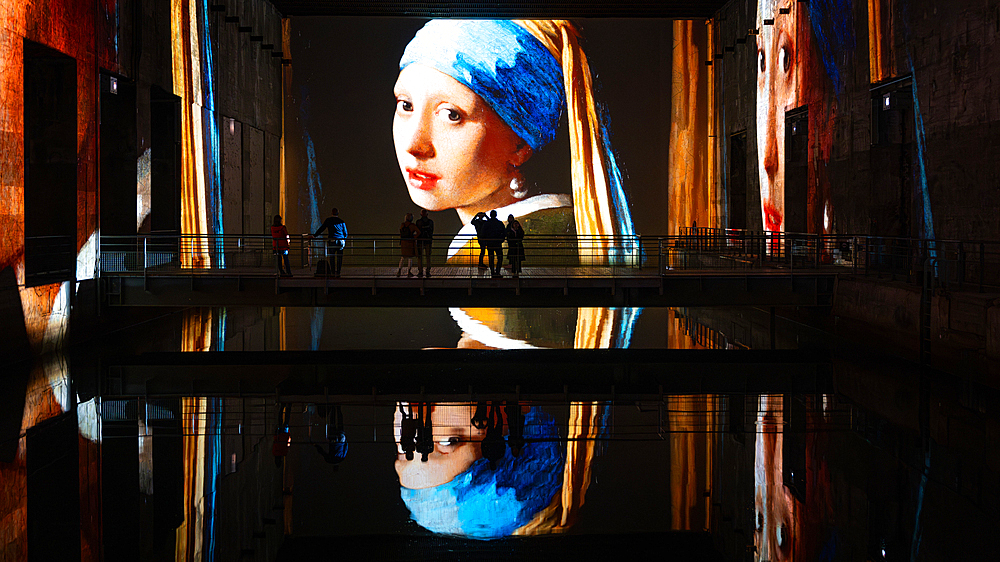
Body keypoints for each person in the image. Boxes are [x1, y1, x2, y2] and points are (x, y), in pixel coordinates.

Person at [392, 20, 637, 266]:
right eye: (406, 105)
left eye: (452, 115)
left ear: (520, 145)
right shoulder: (568, 223)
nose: (414, 144)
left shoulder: (486, 251)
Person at [312, 208, 348, 277]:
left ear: (332, 212)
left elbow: (322, 228)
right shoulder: (341, 221)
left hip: (332, 240)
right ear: (338, 213)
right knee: (339, 257)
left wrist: (314, 235)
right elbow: (345, 233)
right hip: (341, 241)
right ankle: (338, 272)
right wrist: (344, 240)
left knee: (332, 256)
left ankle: (333, 271)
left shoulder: (328, 220)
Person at [397, 212, 421, 277]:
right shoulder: (412, 225)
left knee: (403, 257)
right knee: (410, 258)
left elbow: (401, 233)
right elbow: (419, 232)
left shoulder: (402, 225)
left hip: (403, 243)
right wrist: (414, 237)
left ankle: (399, 271)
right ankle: (408, 272)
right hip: (410, 243)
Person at [484, 210, 506, 277]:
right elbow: (504, 232)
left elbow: (483, 233)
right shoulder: (499, 223)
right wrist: (501, 240)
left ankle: (492, 271)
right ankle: (498, 271)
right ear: (496, 215)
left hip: (490, 243)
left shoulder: (487, 223)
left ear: (490, 215)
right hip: (497, 243)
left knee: (491, 258)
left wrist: (486, 241)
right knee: (500, 257)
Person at [415, 209, 434, 277]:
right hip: (428, 241)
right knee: (428, 257)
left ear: (421, 214)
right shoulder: (430, 222)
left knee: (420, 257)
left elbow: (417, 231)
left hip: (420, 241)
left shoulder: (418, 222)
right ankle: (428, 271)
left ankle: (420, 271)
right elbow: (432, 231)